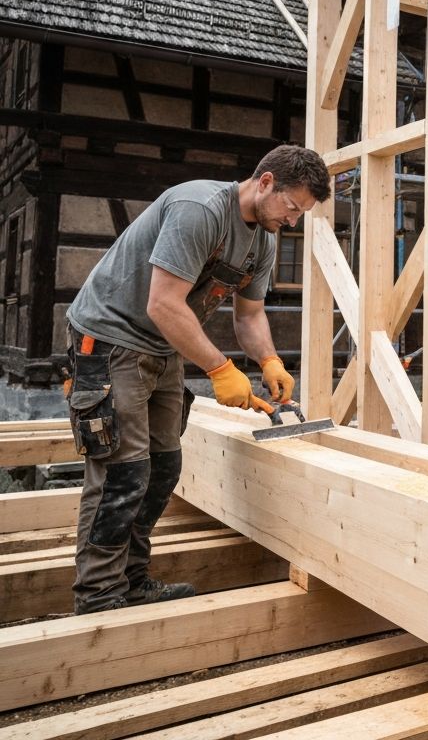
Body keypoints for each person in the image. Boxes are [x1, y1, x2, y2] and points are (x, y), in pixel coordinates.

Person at [64, 144, 331, 614]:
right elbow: (163, 303)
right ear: (265, 182)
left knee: (163, 466)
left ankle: (133, 580)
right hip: (110, 341)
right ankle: (98, 596)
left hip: (164, 345)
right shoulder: (199, 209)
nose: (293, 221)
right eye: (292, 207)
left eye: (302, 214)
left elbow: (249, 317)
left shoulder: (263, 240)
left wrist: (269, 361)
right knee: (122, 471)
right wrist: (220, 370)